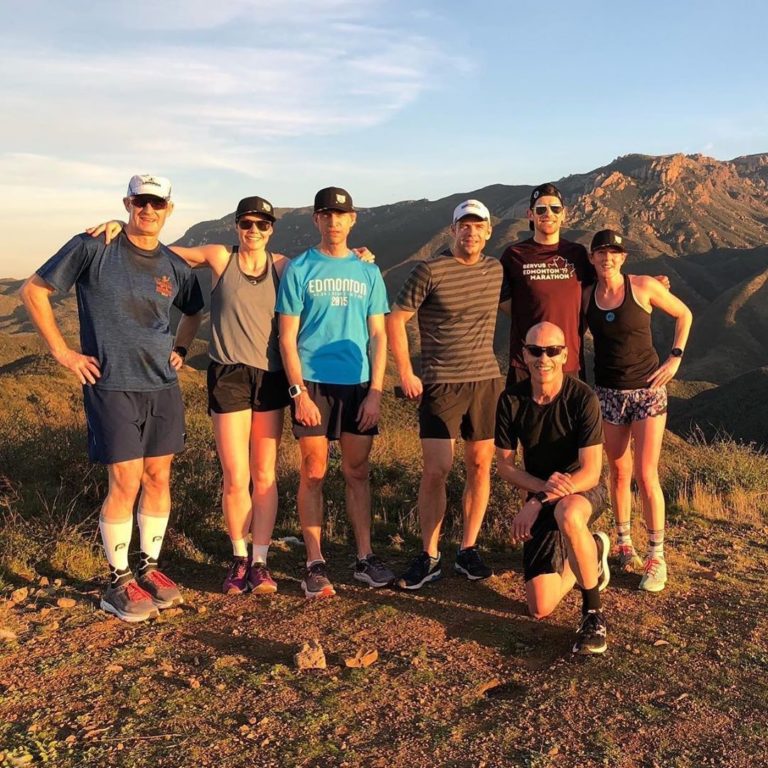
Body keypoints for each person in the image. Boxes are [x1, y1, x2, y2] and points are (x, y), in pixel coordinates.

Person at [20, 175, 204, 623]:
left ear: (168, 210)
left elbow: (194, 310)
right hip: (111, 383)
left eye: (157, 203)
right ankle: (117, 580)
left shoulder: (174, 264)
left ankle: (151, 568)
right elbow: (33, 290)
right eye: (141, 201)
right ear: (127, 203)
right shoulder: (94, 247)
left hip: (162, 384)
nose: (148, 210)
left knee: (158, 477)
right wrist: (62, 352)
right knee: (125, 481)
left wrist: (180, 349)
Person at [276, 186, 395, 598]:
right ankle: (315, 562)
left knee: (357, 472)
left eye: (340, 215)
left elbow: (379, 335)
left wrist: (376, 392)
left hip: (358, 384)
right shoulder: (299, 268)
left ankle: (364, 558)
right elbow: (286, 336)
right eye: (325, 215)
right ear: (316, 220)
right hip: (312, 383)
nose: (333, 221)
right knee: (313, 473)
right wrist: (298, 393)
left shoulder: (368, 271)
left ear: (352, 220)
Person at [388, 200, 506, 589]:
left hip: (486, 381)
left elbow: (543, 288)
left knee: (479, 466)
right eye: (464, 226)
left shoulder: (496, 270)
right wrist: (406, 371)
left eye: (478, 226)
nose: (471, 232)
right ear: (452, 231)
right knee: (436, 470)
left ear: (489, 232)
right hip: (441, 382)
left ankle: (467, 550)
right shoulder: (430, 270)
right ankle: (430, 554)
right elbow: (396, 319)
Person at [585, 229, 692, 591]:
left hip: (648, 392)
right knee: (617, 469)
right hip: (608, 393)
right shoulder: (588, 295)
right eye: (601, 253)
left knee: (646, 474)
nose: (607, 258)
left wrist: (675, 358)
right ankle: (623, 542)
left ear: (624, 256)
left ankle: (657, 555)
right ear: (592, 258)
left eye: (613, 253)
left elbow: (685, 314)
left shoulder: (643, 286)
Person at [495, 322, 611, 655]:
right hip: (542, 491)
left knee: (569, 511)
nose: (542, 358)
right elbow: (504, 466)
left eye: (552, 350)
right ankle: (592, 551)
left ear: (565, 355)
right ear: (523, 355)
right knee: (540, 607)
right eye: (535, 350)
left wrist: (537, 501)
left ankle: (592, 615)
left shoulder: (582, 398)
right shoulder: (511, 401)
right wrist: (541, 491)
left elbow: (591, 471)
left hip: (582, 491)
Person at [499, 183, 669, 385]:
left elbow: (607, 278)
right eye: (541, 209)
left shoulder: (577, 254)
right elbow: (502, 300)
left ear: (564, 214)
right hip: (526, 362)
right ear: (530, 214)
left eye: (555, 209)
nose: (548, 214)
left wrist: (642, 282)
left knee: (569, 417)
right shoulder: (514, 255)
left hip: (569, 360)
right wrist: (530, 312)